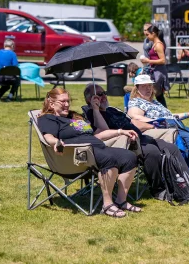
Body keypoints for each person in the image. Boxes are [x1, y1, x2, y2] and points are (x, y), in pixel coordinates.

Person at [82, 83, 189, 199]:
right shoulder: (91, 113)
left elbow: (132, 121)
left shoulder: (112, 109)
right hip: (125, 143)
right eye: (99, 94)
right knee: (152, 151)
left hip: (140, 136)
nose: (104, 96)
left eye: (104, 92)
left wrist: (152, 125)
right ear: (90, 99)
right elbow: (102, 130)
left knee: (171, 147)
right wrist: (95, 109)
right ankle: (158, 189)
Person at [37, 87, 141, 218]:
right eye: (62, 102)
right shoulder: (49, 118)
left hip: (98, 148)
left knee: (129, 157)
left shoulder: (75, 116)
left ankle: (121, 200)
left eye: (68, 101)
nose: (67, 104)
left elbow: (99, 133)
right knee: (109, 159)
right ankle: (108, 205)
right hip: (79, 156)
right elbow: (48, 137)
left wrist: (121, 131)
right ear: (51, 103)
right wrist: (56, 143)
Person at [128, 75, 189, 179]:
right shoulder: (136, 102)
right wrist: (156, 122)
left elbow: (169, 116)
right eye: (144, 86)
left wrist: (186, 114)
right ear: (137, 88)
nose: (148, 88)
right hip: (161, 129)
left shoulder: (154, 102)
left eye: (149, 85)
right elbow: (134, 117)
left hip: (173, 124)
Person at [140, 25, 169, 108]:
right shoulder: (154, 44)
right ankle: (164, 112)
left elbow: (163, 60)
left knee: (156, 94)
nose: (147, 36)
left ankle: (164, 113)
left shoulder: (158, 45)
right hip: (154, 71)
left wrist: (148, 61)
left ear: (153, 34)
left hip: (158, 73)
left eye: (148, 34)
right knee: (157, 95)